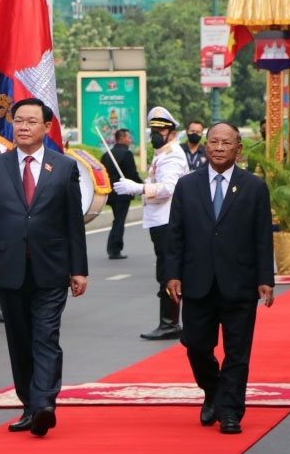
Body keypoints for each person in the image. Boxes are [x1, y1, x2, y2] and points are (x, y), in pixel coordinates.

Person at [0, 98, 88, 437]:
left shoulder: (63, 167)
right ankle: (29, 405)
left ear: (46, 127)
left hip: (52, 267)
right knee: (20, 339)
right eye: (18, 120)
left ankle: (44, 402)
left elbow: (73, 222)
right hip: (9, 267)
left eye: (31, 121)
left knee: (46, 336)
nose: (23, 127)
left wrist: (79, 269)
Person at [163, 122, 274, 435]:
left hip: (240, 281)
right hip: (197, 281)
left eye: (227, 143)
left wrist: (266, 278)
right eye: (214, 142)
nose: (219, 147)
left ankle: (230, 411)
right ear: (205, 145)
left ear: (238, 148)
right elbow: (176, 234)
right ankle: (213, 390)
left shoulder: (253, 187)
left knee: (238, 351)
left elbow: (262, 237)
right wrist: (172, 274)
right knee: (195, 345)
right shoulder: (187, 185)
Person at [113, 107, 188, 340]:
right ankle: (169, 321)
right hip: (159, 220)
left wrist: (136, 188)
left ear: (172, 133)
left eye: (161, 130)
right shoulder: (162, 153)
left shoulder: (173, 154)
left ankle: (170, 323)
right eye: (153, 130)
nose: (156, 134)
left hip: (168, 220)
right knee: (165, 270)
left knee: (168, 271)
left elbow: (169, 188)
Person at [100, 128, 141, 260]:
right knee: (119, 221)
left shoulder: (107, 155)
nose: (130, 140)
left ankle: (111, 246)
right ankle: (115, 249)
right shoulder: (127, 154)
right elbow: (131, 175)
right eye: (128, 138)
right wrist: (142, 186)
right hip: (122, 193)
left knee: (117, 220)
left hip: (110, 194)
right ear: (122, 138)